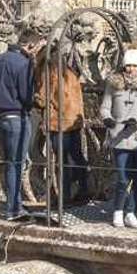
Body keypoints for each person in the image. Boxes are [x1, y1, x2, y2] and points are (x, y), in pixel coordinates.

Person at [0, 34, 36, 221]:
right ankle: (13, 209)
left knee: (8, 163)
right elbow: (27, 95)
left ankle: (14, 203)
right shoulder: (23, 63)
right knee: (16, 164)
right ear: (31, 45)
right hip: (16, 116)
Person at [104, 48, 137, 229]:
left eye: (134, 65)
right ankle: (118, 211)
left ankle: (131, 213)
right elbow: (105, 107)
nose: (131, 69)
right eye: (128, 65)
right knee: (122, 178)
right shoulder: (113, 84)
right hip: (120, 137)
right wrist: (107, 119)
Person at [34, 42, 90, 209]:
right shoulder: (70, 72)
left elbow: (43, 98)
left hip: (58, 122)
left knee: (62, 161)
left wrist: (35, 98)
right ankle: (84, 190)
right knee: (77, 157)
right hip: (74, 121)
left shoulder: (49, 72)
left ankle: (64, 197)